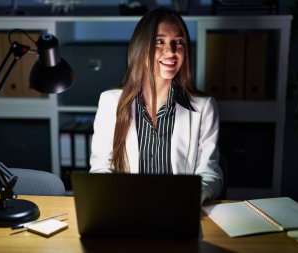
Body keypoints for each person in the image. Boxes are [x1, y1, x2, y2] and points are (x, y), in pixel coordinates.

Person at [89, 7, 223, 203]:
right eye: (159, 41)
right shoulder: (111, 102)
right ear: (141, 48)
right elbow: (100, 168)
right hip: (126, 211)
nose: (171, 51)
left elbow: (210, 174)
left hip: (179, 212)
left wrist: (189, 198)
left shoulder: (204, 107)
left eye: (179, 42)